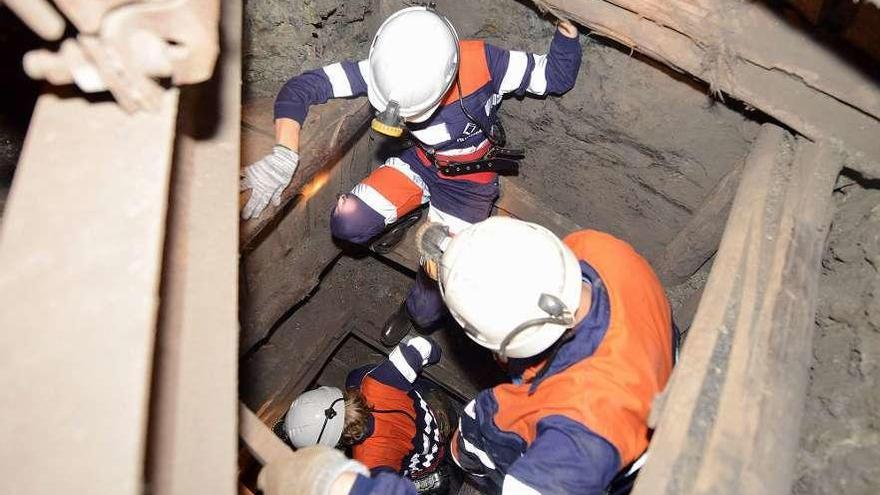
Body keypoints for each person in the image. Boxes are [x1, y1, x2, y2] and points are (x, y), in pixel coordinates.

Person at [240, 5, 582, 347]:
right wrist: (283, 156)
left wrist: (566, 32)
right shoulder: (390, 68)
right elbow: (301, 88)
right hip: (419, 163)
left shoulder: (485, 64)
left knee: (428, 310)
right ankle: (405, 214)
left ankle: (413, 307)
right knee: (348, 224)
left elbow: (554, 76)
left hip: (467, 187)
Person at [424, 216, 677, 494]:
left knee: (483, 437)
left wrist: (470, 449)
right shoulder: (597, 248)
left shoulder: (580, 430)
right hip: (653, 358)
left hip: (620, 454)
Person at [281, 336, 452, 494]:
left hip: (432, 458)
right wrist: (436, 353)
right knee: (355, 378)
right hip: (438, 411)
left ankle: (428, 481)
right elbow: (421, 345)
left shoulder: (368, 462)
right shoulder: (375, 381)